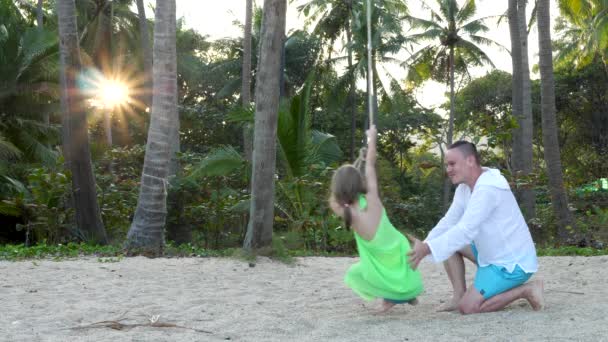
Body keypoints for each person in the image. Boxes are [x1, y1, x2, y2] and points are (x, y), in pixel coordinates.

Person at [408, 141, 544, 314]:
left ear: (470, 161)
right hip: (490, 254)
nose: (448, 169)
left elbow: (465, 230)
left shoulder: (488, 188)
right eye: (446, 165)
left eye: (452, 164)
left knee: (469, 307)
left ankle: (526, 289)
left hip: (511, 263)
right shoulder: (464, 188)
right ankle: (458, 296)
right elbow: (449, 222)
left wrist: (427, 249)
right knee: (450, 243)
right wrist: (423, 246)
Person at [329, 125, 423, 313]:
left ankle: (394, 296)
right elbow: (371, 164)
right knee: (387, 272)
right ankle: (402, 295)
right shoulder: (373, 200)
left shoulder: (347, 213)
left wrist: (348, 175)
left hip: (382, 268)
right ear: (359, 185)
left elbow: (333, 198)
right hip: (401, 256)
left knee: (355, 274)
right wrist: (372, 138)